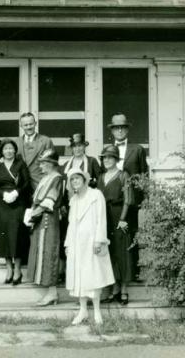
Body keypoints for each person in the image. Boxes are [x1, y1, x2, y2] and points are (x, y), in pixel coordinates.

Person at [64, 167, 115, 325]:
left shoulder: (96, 195)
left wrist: (99, 240)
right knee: (79, 276)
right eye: (72, 179)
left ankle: (97, 311)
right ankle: (83, 310)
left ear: (84, 179)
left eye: (77, 178)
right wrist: (67, 243)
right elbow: (71, 223)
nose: (75, 182)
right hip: (77, 243)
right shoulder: (74, 200)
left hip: (92, 242)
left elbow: (101, 218)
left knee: (93, 275)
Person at [108, 113, 149, 281]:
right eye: (116, 128)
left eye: (122, 128)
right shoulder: (108, 150)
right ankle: (116, 271)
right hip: (113, 199)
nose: (119, 131)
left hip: (132, 198)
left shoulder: (137, 149)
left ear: (127, 130)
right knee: (115, 233)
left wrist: (146, 196)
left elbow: (144, 174)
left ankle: (134, 270)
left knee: (131, 232)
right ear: (112, 131)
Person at [59, 133, 102, 282]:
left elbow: (100, 182)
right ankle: (66, 270)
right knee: (69, 235)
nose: (77, 149)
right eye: (74, 146)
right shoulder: (65, 165)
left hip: (86, 206)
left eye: (80, 146)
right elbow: (62, 187)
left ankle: (86, 271)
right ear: (71, 148)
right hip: (70, 206)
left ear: (84, 146)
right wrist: (62, 205)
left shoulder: (91, 162)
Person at [96, 145, 134, 304]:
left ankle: (124, 290)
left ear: (116, 159)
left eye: (110, 157)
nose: (107, 160)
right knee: (110, 252)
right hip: (105, 217)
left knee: (122, 253)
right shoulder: (101, 177)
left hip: (119, 215)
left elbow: (128, 199)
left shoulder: (123, 175)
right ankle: (115, 288)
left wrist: (123, 219)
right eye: (104, 157)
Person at [25, 149, 62, 306]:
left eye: (44, 163)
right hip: (40, 221)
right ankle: (50, 292)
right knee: (42, 252)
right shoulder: (45, 178)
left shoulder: (57, 179)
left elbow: (49, 200)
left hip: (48, 220)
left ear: (52, 164)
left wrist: (33, 215)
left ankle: (52, 293)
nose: (41, 167)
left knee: (49, 253)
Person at [0, 139, 31, 285]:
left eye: (11, 149)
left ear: (15, 151)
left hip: (17, 203)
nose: (8, 151)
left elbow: (26, 183)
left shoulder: (20, 164)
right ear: (2, 151)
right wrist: (3, 194)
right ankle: (9, 268)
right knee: (4, 236)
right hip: (2, 204)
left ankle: (18, 270)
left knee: (17, 235)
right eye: (5, 149)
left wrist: (16, 193)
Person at [16, 112, 54, 192]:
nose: (29, 127)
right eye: (25, 125)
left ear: (35, 123)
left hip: (40, 182)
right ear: (21, 126)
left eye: (31, 124)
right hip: (22, 184)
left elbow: (53, 165)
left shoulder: (46, 141)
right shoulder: (16, 142)